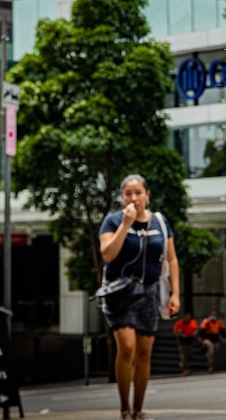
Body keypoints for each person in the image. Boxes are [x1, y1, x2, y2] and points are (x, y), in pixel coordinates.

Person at [99, 174, 181, 420]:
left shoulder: (159, 221)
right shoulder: (113, 221)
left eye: (138, 192)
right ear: (122, 197)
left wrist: (175, 293)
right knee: (127, 347)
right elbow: (107, 254)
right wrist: (126, 225)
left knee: (145, 353)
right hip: (120, 293)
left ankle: (138, 410)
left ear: (147, 195)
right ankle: (124, 409)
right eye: (128, 193)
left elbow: (172, 259)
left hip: (150, 291)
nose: (133, 198)